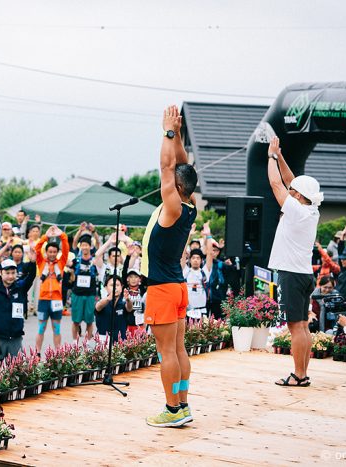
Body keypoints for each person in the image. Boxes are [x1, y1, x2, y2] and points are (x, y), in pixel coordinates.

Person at [141, 105, 196, 428]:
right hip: (176, 286)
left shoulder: (172, 206)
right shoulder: (188, 206)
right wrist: (177, 135)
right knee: (178, 349)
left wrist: (167, 130)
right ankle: (183, 403)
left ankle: (172, 410)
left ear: (176, 186)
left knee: (167, 353)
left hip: (162, 287)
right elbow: (180, 165)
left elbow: (167, 165)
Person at [266, 136, 323, 388]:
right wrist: (280, 156)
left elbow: (276, 183)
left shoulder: (297, 210)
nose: (290, 191)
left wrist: (269, 156)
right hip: (303, 274)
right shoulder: (311, 209)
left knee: (295, 327)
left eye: (294, 192)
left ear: (298, 195)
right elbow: (290, 182)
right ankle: (302, 373)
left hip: (291, 274)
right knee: (302, 326)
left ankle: (298, 375)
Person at [0, 254, 37, 368]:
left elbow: (31, 277)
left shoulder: (20, 287)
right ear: (0, 273)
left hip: (15, 338)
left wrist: (33, 263)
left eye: (13, 273)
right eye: (7, 273)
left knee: (17, 373)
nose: (10, 276)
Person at [35, 225, 69, 355]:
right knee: (41, 328)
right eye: (50, 252)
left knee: (57, 329)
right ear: (47, 252)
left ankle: (58, 353)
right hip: (43, 300)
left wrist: (61, 235)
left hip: (56, 300)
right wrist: (46, 236)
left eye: (55, 252)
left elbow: (66, 248)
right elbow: (37, 248)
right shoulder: (41, 262)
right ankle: (37, 353)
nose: (52, 254)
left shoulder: (61, 263)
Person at [69, 236, 98, 340]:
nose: (84, 247)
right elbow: (69, 266)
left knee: (90, 321)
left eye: (86, 245)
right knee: (76, 321)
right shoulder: (76, 260)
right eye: (83, 245)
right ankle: (75, 343)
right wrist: (79, 232)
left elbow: (99, 245)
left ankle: (88, 344)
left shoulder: (94, 261)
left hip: (90, 294)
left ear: (90, 247)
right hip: (77, 294)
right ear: (80, 247)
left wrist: (95, 233)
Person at [95, 275, 131, 342]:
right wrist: (108, 298)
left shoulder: (124, 303)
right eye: (112, 285)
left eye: (117, 285)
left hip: (120, 340)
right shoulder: (103, 302)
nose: (115, 287)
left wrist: (128, 300)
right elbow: (98, 306)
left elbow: (129, 308)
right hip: (103, 340)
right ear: (106, 287)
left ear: (122, 287)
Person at [183, 248, 212, 321]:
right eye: (193, 258)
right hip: (187, 310)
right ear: (189, 260)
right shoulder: (186, 271)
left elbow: (210, 254)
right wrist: (186, 236)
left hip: (201, 310)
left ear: (202, 260)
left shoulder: (204, 272)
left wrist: (208, 237)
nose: (195, 260)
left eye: (198, 258)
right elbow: (182, 254)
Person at [125, 270, 146, 334]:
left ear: (140, 279)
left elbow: (144, 308)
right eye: (131, 277)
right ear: (127, 279)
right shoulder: (124, 291)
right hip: (127, 325)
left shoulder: (143, 291)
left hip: (141, 326)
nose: (133, 279)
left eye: (136, 277)